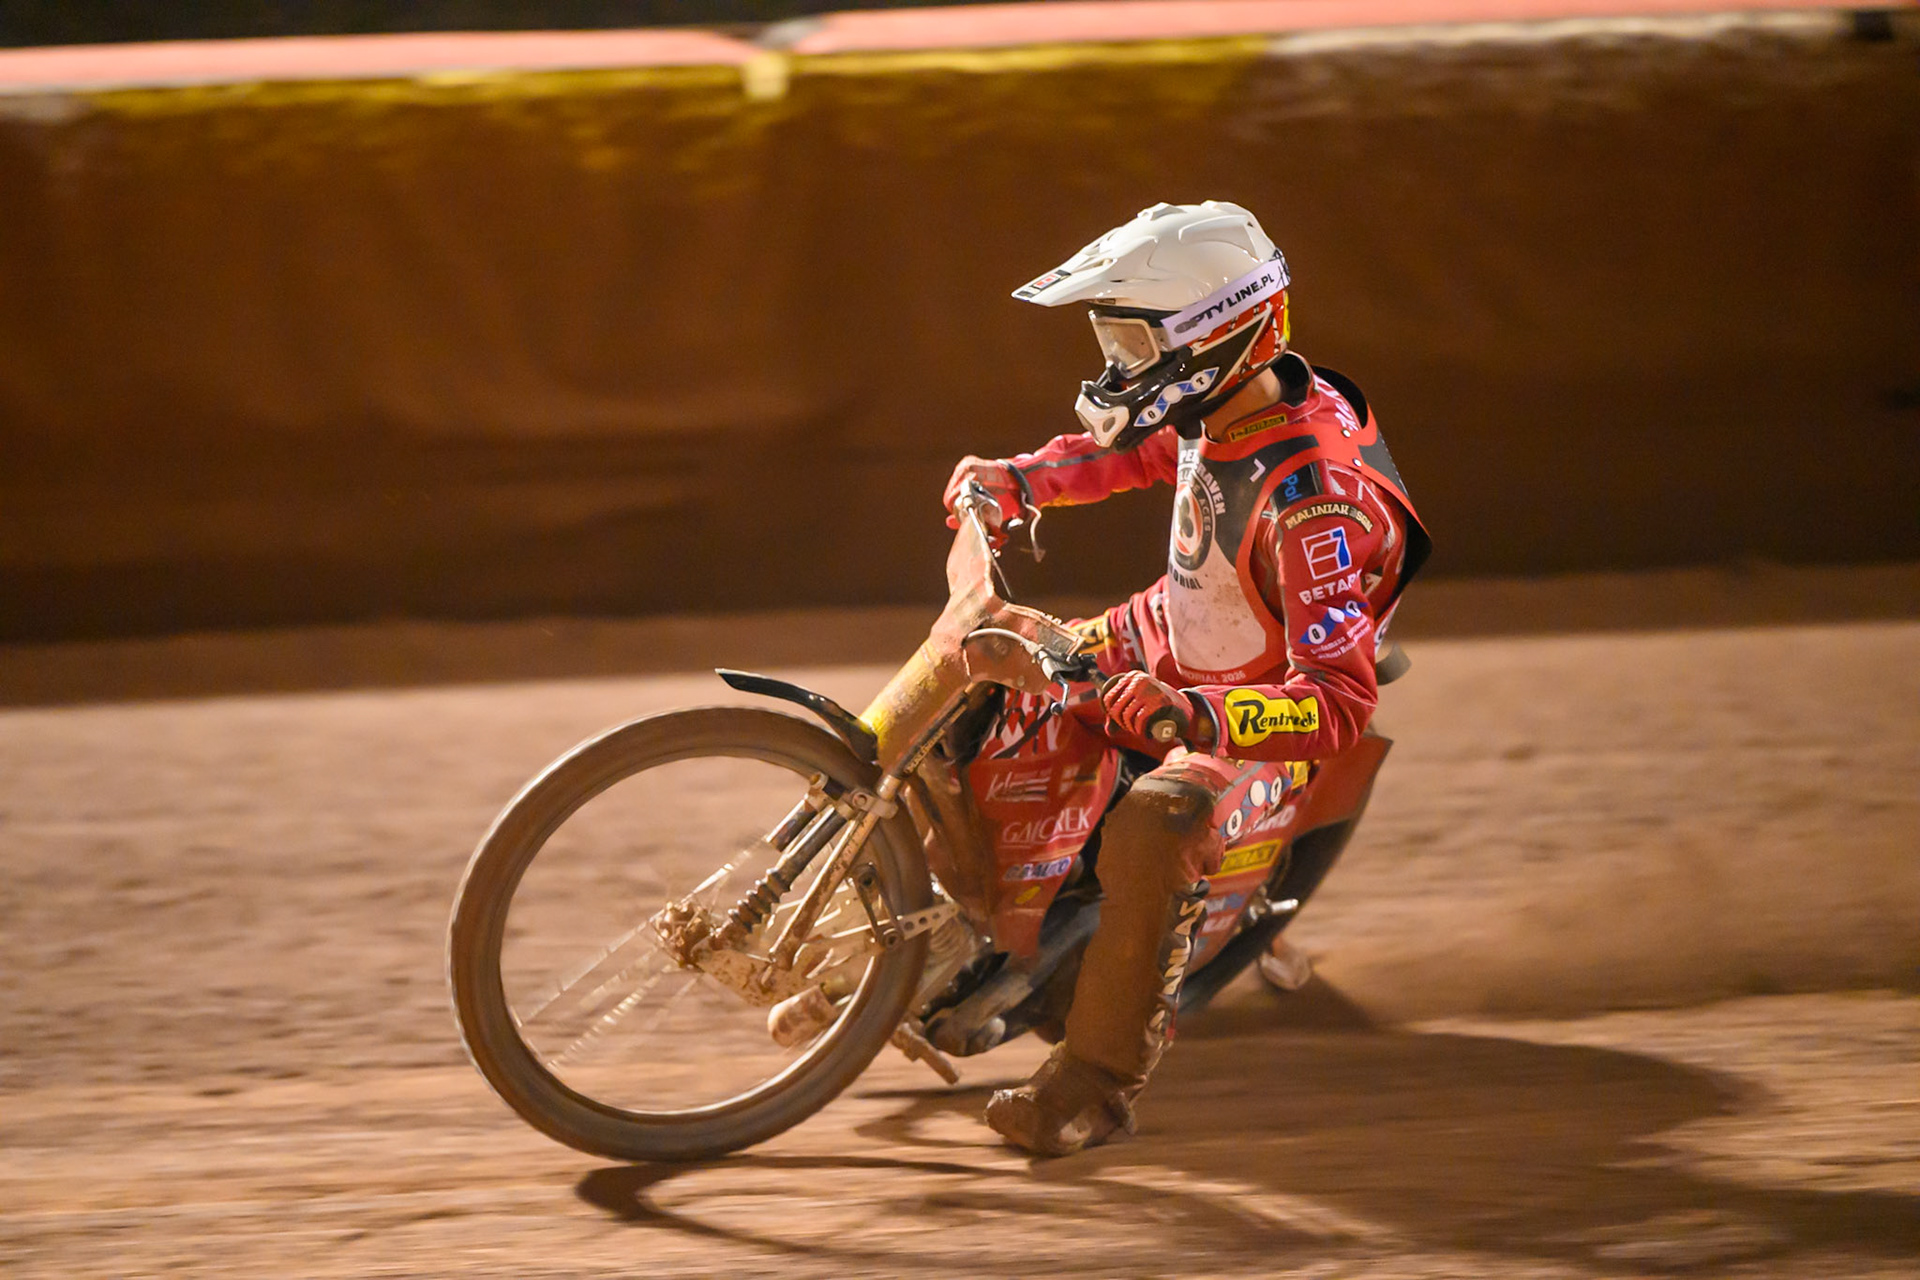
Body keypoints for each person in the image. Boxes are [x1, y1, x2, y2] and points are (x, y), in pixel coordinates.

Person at [940, 201, 1431, 1156]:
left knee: (1154, 824)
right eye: (1110, 341)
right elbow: (1143, 449)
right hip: (1170, 631)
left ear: (1215, 337)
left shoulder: (1315, 509)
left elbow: (1338, 701)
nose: (1116, 367)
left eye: (1132, 343)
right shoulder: (1229, 400)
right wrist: (1019, 479)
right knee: (985, 665)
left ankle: (1092, 1087)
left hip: (1250, 708)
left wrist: (1195, 716)